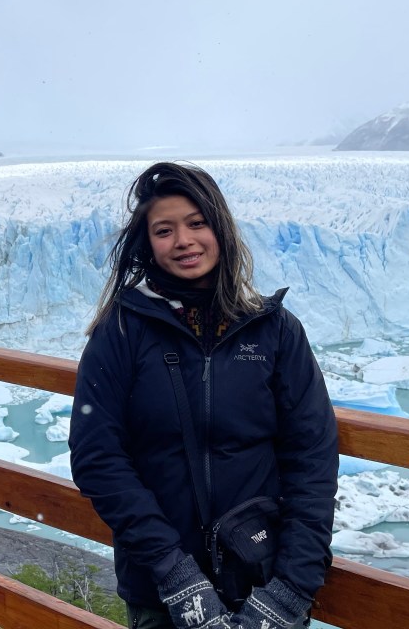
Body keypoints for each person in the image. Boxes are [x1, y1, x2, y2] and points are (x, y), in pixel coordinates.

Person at [69, 162, 338, 629]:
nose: (184, 241)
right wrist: (176, 576)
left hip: (261, 578)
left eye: (197, 223)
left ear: (220, 227)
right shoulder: (122, 330)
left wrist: (290, 591)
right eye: (164, 229)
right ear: (147, 243)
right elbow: (97, 455)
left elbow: (311, 457)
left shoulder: (273, 330)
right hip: (160, 589)